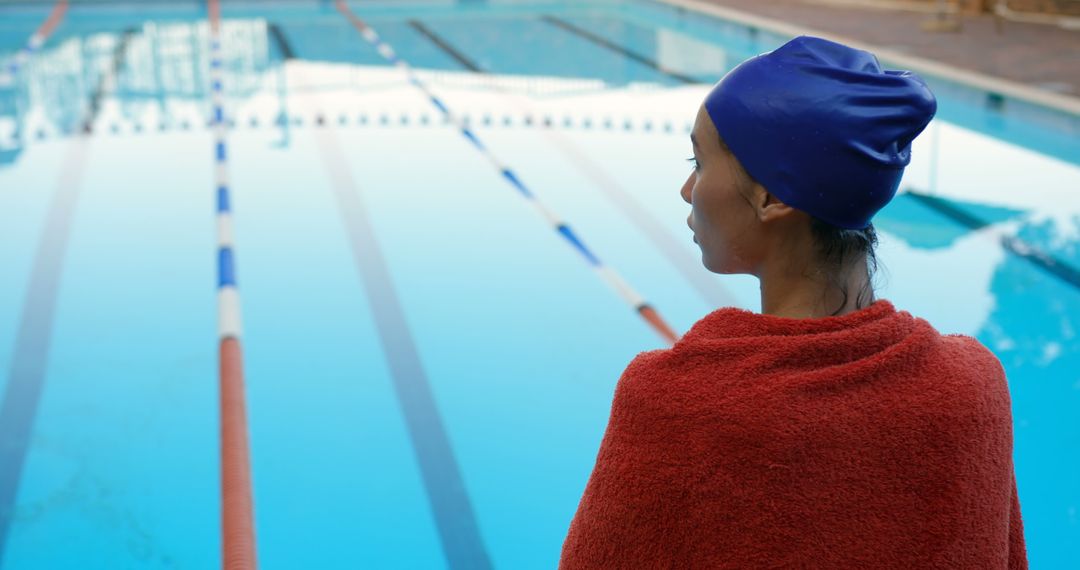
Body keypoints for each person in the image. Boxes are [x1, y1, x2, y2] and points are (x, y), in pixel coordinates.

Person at [559, 36, 1027, 569]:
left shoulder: (678, 403)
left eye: (700, 161)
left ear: (772, 196)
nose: (688, 189)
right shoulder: (973, 387)